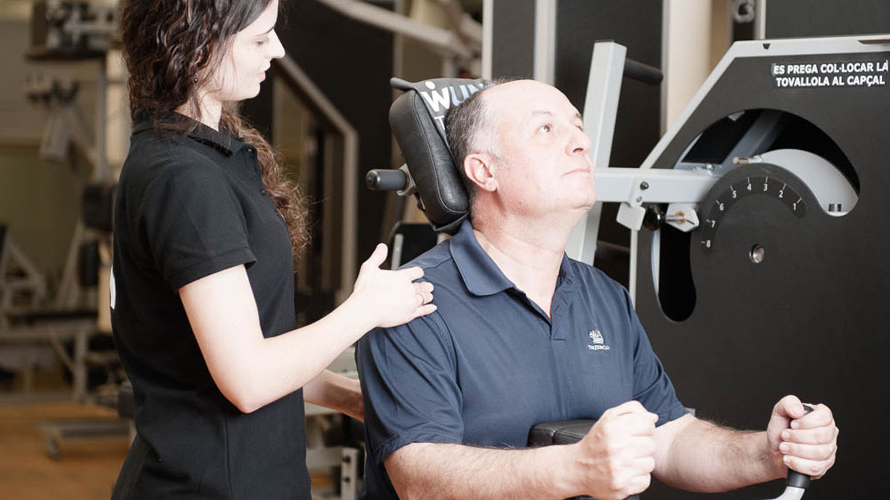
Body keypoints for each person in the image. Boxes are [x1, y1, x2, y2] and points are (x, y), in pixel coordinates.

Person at [356, 79, 839, 500]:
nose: (581, 143)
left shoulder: (604, 297)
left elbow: (668, 439)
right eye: (547, 130)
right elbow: (418, 479)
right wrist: (575, 469)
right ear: (484, 171)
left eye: (577, 126)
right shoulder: (412, 301)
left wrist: (768, 452)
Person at [111, 0, 436, 498]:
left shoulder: (206, 153)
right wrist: (364, 310)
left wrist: (352, 399)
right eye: (260, 39)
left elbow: (248, 347)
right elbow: (248, 379)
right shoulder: (184, 179)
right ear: (196, 46)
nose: (278, 49)